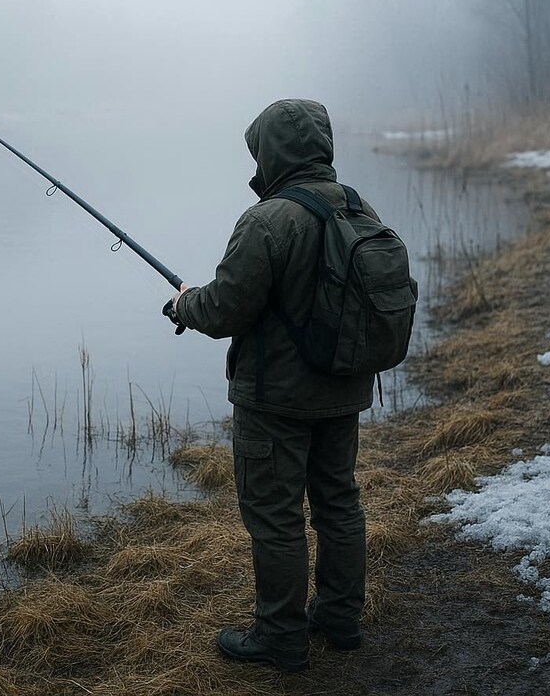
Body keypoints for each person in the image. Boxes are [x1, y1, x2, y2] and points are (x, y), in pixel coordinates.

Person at [168, 99, 372, 673]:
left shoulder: (266, 220)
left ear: (272, 152)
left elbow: (228, 307)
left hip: (276, 398)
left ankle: (280, 636)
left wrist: (185, 305)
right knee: (338, 501)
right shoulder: (357, 207)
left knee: (276, 516)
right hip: (344, 389)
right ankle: (340, 619)